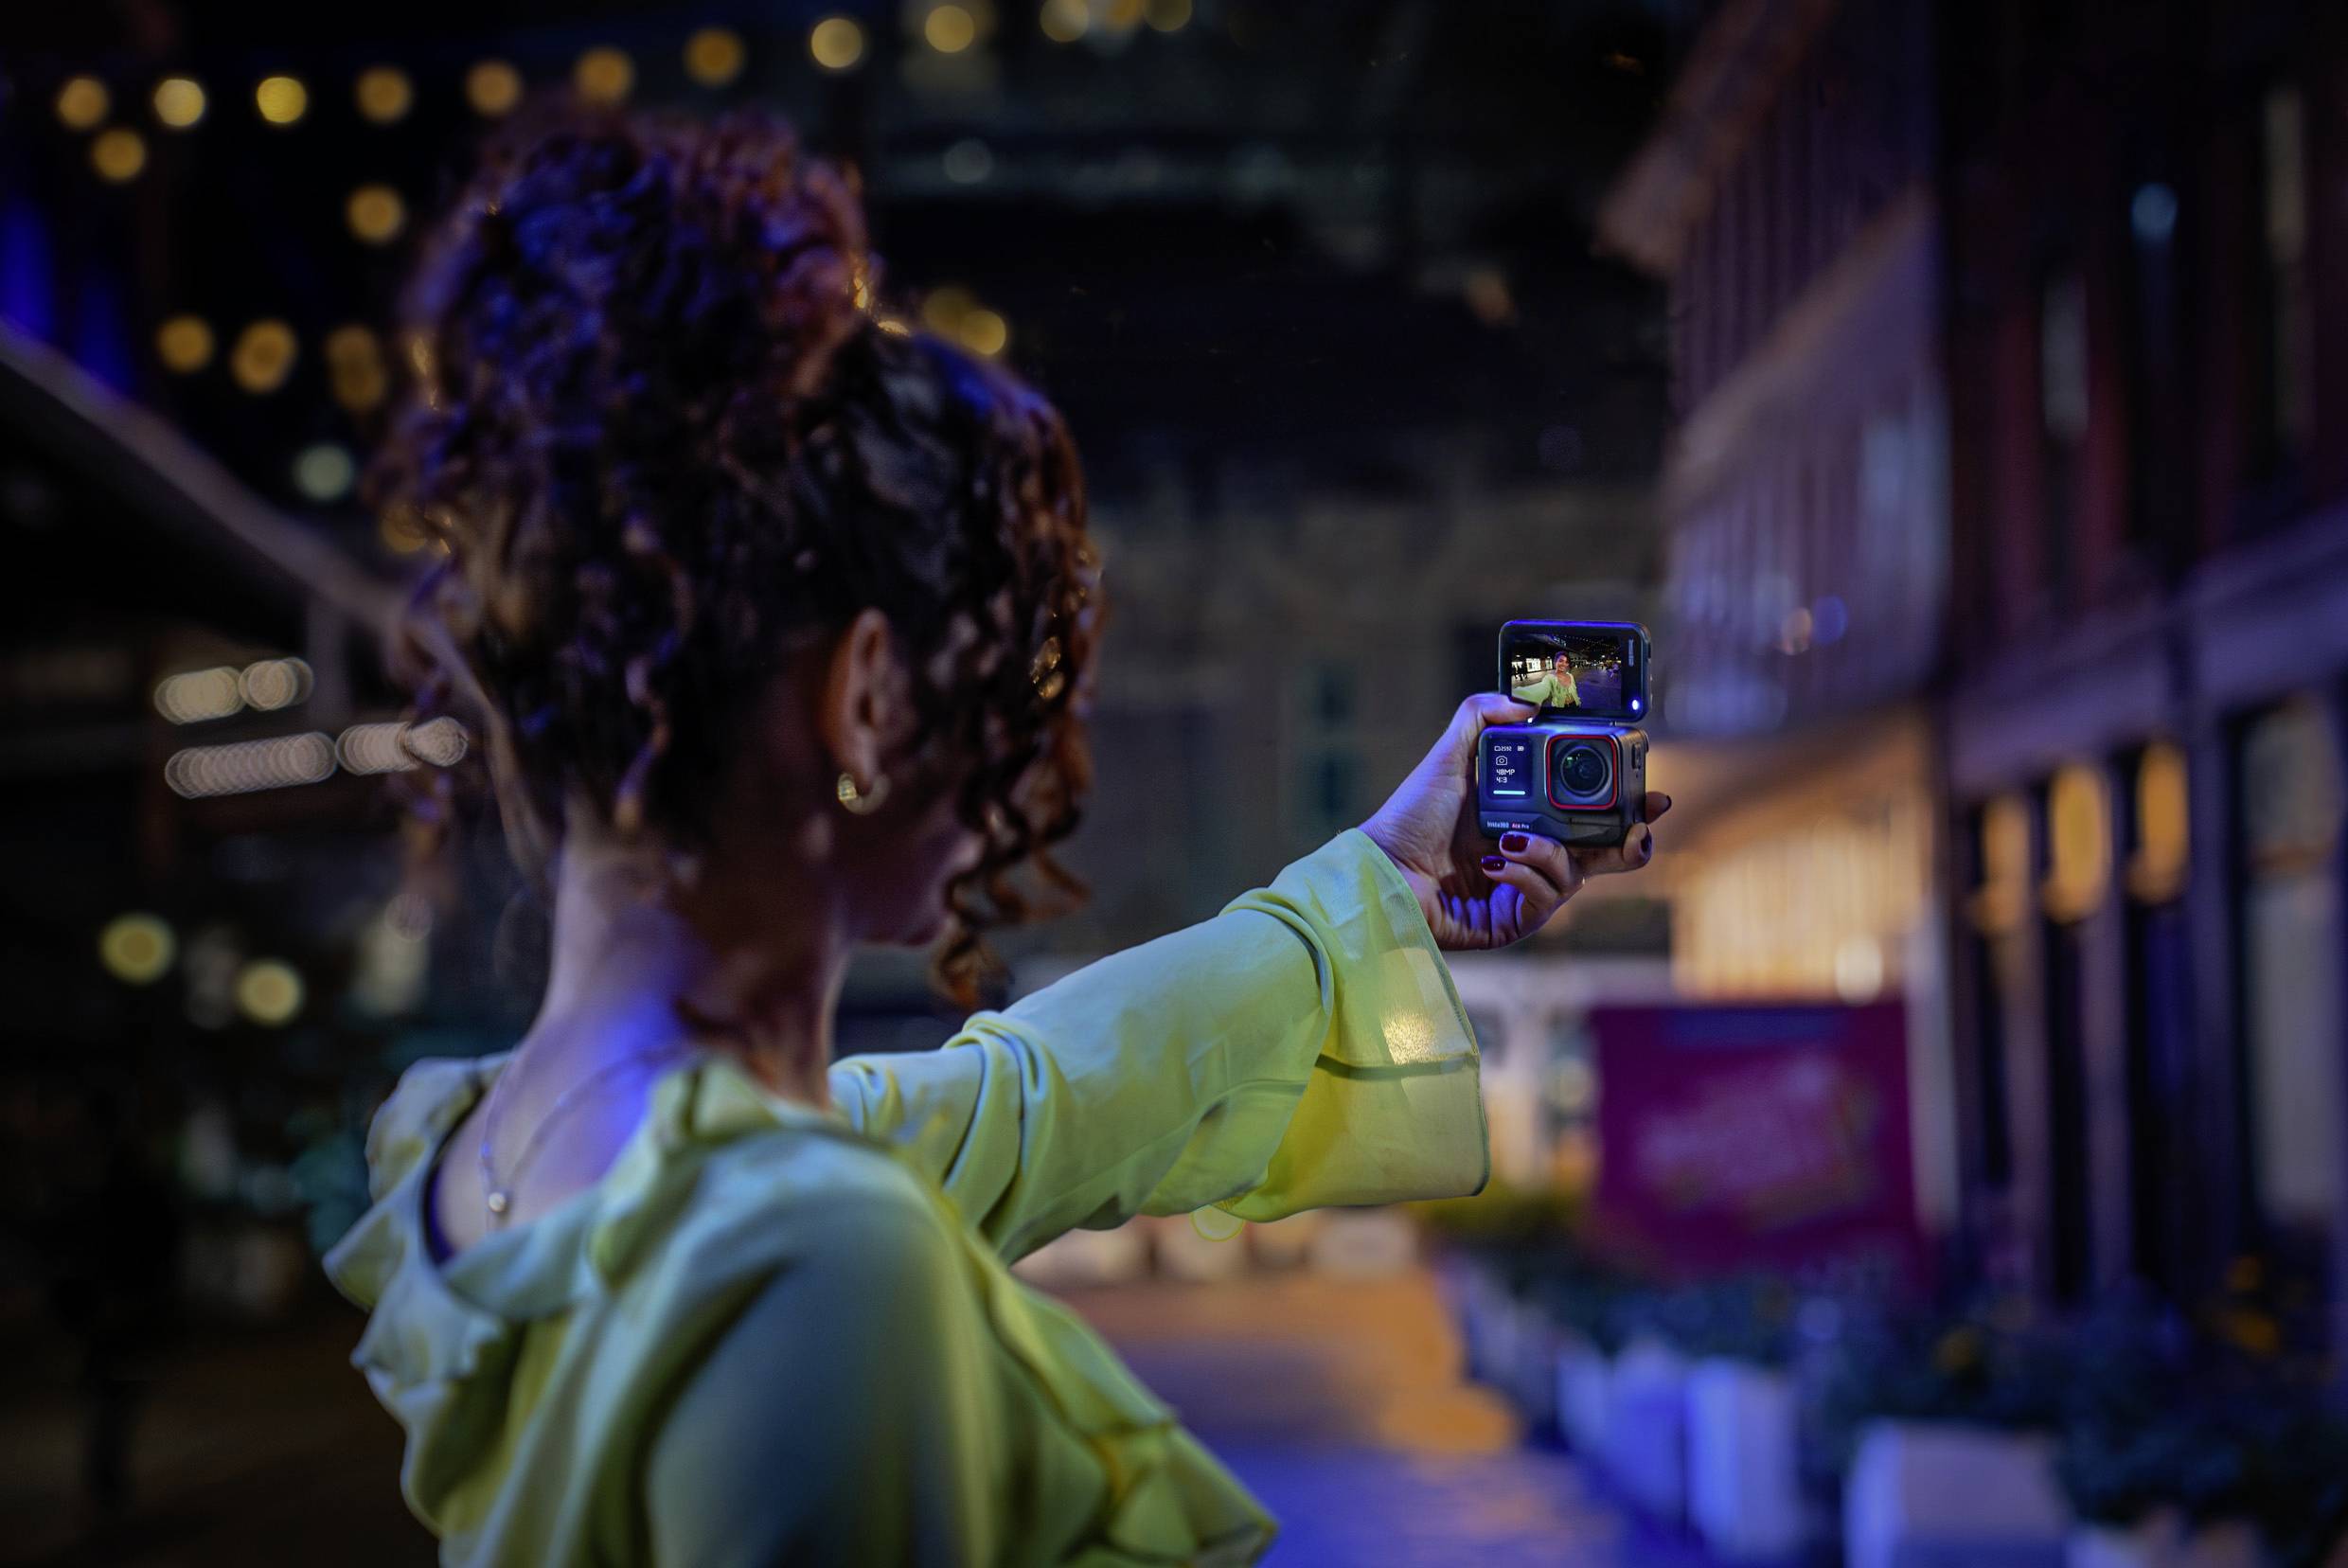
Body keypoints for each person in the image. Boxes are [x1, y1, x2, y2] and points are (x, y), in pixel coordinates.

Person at [325, 105, 1669, 1568]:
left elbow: (1036, 1104)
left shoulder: (489, 1147)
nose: (1031, 759)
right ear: (862, 697)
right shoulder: (808, 1257)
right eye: (1009, 678)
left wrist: (1386, 881)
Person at [1511, 650, 1581, 710]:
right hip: (1560, 708)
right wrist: (1517, 696)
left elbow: (1574, 692)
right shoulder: (1550, 677)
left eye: (1566, 662)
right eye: (1561, 661)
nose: (1564, 664)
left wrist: (1578, 703)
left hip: (1575, 705)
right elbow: (1542, 688)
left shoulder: (1570, 676)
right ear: (1555, 662)